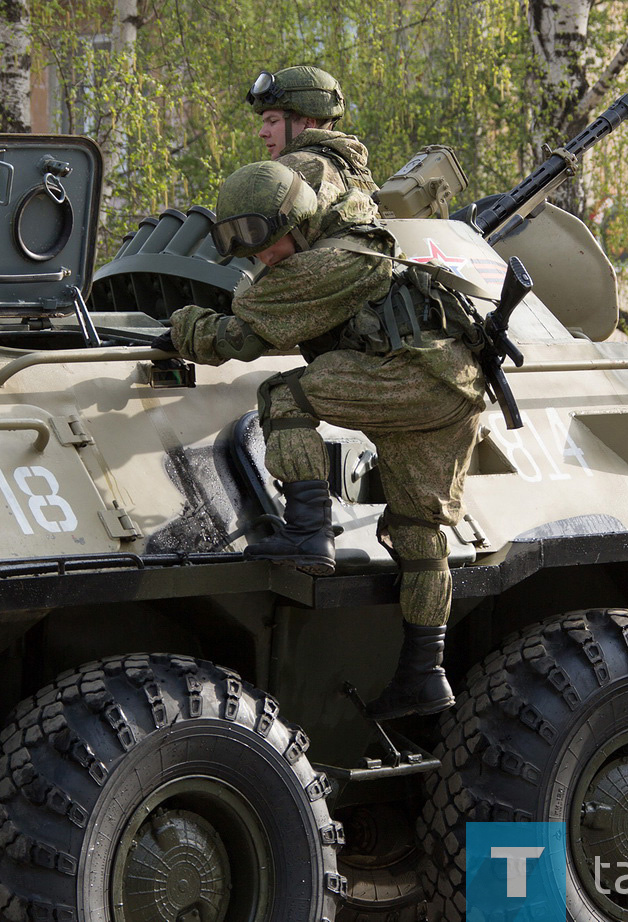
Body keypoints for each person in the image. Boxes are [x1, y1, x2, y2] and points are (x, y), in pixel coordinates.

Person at [151, 160, 489, 720]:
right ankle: (424, 675)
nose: (260, 256)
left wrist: (182, 325)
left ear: (298, 221)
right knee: (417, 529)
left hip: (408, 377)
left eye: (265, 240)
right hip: (450, 385)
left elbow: (236, 337)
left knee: (286, 396)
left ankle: (308, 532)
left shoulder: (326, 264)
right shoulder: (353, 226)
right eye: (245, 246)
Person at [247, 65, 378, 199]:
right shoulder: (359, 172)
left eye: (273, 121)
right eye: (264, 123)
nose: (262, 133)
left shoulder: (288, 170)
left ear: (308, 123)